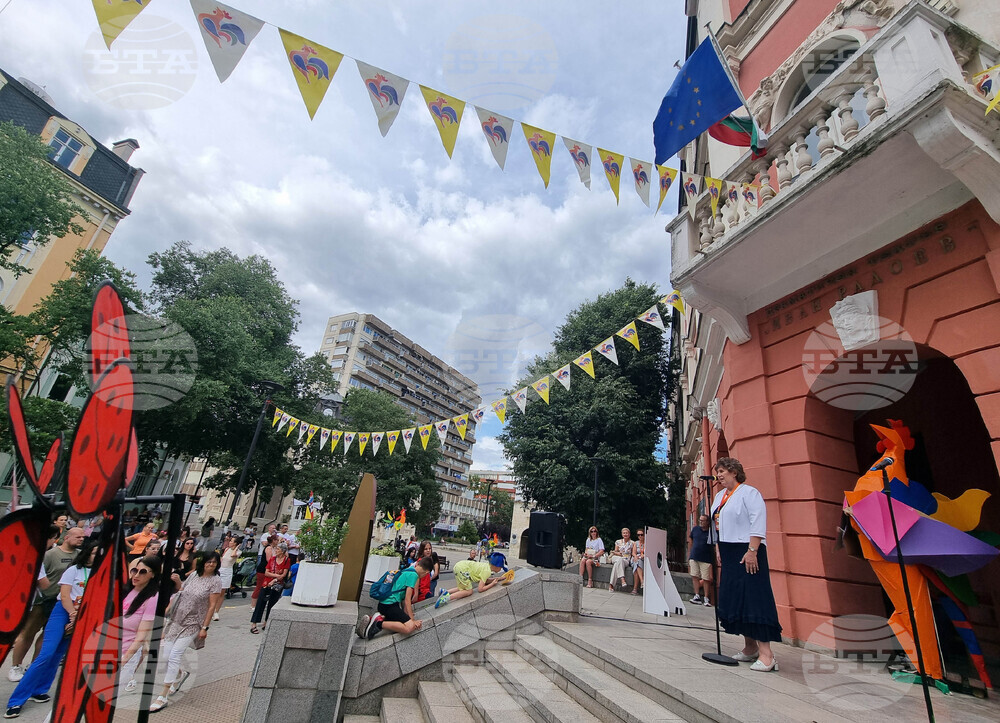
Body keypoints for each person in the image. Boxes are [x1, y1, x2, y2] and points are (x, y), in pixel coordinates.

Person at [5, 543, 97, 719]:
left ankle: (40, 690)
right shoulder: (73, 570)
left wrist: (79, 620)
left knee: (58, 655)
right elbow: (64, 595)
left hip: (82, 617)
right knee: (46, 654)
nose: (96, 556)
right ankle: (16, 700)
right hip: (63, 611)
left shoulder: (100, 574)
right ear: (86, 553)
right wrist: (72, 616)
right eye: (94, 552)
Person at [711, 457, 782, 672]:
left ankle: (767, 655)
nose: (720, 475)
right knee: (736, 599)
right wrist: (717, 548)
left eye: (723, 471)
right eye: (718, 472)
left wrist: (753, 550)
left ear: (734, 472)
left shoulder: (749, 493)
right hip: (728, 550)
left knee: (754, 598)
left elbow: (757, 519)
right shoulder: (719, 496)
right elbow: (717, 524)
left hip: (747, 549)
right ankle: (750, 647)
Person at [149, 551, 224, 713]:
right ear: (202, 562)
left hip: (193, 622)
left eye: (214, 562)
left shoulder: (216, 581)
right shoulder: (194, 576)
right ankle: (180, 674)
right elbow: (181, 592)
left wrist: (205, 627)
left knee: (175, 654)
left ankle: (163, 696)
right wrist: (169, 605)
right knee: (166, 655)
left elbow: (212, 605)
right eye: (209, 561)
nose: (211, 564)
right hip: (177, 618)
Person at [7, 526, 84, 682]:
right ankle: (15, 666)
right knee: (28, 633)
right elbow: (38, 577)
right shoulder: (50, 554)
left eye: (83, 537)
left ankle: (34, 667)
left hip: (62, 604)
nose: (81, 539)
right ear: (67, 537)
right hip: (42, 601)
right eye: (78, 537)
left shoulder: (80, 556)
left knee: (46, 637)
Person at [357, 556, 433, 639]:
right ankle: (378, 623)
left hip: (384, 605)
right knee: (409, 627)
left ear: (418, 564)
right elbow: (407, 600)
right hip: (390, 606)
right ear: (427, 572)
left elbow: (403, 599)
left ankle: (373, 621)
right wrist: (412, 620)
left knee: (400, 624)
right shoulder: (414, 575)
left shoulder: (406, 571)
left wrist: (406, 615)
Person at [119, 555, 161, 693]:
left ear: (152, 575)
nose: (136, 575)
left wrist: (124, 661)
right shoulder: (126, 590)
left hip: (125, 653)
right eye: (134, 570)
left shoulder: (152, 598)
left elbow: (141, 637)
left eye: (142, 572)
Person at [435, 552, 507, 608]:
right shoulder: (487, 571)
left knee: (463, 588)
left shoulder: (486, 566)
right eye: (501, 567)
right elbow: (480, 589)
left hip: (459, 566)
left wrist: (498, 578)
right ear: (496, 566)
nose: (501, 569)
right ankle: (446, 598)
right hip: (463, 569)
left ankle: (445, 591)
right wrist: (492, 584)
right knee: (469, 591)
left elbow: (485, 580)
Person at [250, 543, 291, 634]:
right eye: (276, 549)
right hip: (267, 583)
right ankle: (254, 624)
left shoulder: (286, 560)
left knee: (272, 604)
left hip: (277, 586)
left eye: (278, 549)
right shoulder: (272, 559)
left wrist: (275, 579)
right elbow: (266, 573)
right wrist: (276, 576)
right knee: (260, 603)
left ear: (283, 551)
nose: (276, 551)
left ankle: (266, 622)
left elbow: (284, 575)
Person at [688, 514, 715, 607]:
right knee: (694, 576)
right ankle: (697, 595)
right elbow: (690, 539)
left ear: (707, 522)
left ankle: (706, 598)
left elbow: (713, 545)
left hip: (706, 558)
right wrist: (690, 552)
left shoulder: (710, 532)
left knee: (706, 578)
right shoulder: (695, 529)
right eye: (700, 520)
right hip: (694, 556)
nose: (701, 522)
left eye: (703, 520)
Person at [216, 536, 241, 618]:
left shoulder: (238, 552)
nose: (229, 542)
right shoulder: (226, 549)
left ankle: (216, 611)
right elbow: (222, 559)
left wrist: (237, 547)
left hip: (227, 571)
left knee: (222, 592)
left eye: (232, 541)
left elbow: (233, 555)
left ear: (235, 543)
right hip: (220, 569)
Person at [609, 528, 635, 592]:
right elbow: (615, 551)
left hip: (625, 559)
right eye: (624, 533)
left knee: (616, 565)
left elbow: (632, 553)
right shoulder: (618, 542)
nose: (625, 534)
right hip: (617, 557)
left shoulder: (632, 543)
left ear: (629, 534)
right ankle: (622, 579)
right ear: (622, 534)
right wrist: (619, 554)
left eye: (626, 533)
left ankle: (611, 585)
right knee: (619, 559)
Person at [631, 528, 645, 595]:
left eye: (641, 535)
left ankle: (635, 589)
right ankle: (642, 581)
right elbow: (633, 553)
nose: (640, 536)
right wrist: (636, 556)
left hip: (643, 559)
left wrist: (644, 555)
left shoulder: (648, 543)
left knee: (636, 567)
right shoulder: (636, 543)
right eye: (638, 535)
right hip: (636, 558)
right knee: (637, 562)